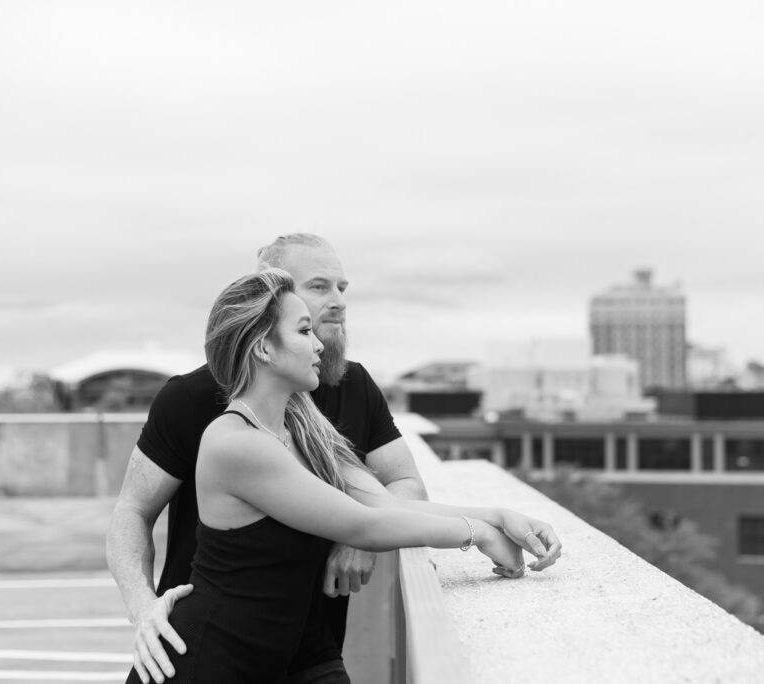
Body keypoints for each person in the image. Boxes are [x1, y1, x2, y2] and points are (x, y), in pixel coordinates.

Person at [107, 234, 562, 684]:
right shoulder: (231, 439)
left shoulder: (304, 426)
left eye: (342, 288)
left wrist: (499, 516)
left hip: (302, 648)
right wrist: (142, 606)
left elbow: (383, 503)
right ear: (264, 345)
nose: (335, 313)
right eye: (311, 309)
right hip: (206, 661)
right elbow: (362, 524)